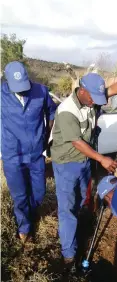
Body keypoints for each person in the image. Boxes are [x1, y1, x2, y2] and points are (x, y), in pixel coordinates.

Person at [51, 65, 117, 266]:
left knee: (81, 199)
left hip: (83, 162)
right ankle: (68, 253)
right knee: (67, 208)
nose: (97, 103)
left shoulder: (92, 97)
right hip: (66, 164)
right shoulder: (67, 111)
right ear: (82, 91)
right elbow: (77, 142)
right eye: (93, 99)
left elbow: (116, 89)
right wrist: (101, 159)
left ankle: (77, 230)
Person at [1, 61, 57, 243]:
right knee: (20, 195)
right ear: (7, 81)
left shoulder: (41, 91)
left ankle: (29, 213)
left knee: (39, 193)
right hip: (12, 155)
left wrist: (47, 136)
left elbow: (52, 112)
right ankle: (25, 229)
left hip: (35, 154)